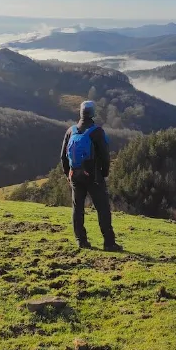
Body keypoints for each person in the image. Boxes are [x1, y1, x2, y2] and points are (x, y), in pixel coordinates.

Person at [60, 100, 122, 251]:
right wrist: (104, 173)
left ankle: (81, 241)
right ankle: (109, 243)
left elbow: (63, 156)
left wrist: (68, 173)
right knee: (102, 208)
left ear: (81, 113)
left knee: (77, 208)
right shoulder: (97, 132)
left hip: (75, 175)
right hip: (93, 176)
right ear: (93, 113)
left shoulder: (70, 131)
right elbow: (105, 156)